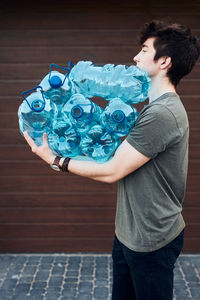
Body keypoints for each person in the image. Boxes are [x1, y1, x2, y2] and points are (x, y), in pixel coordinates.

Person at [24, 20, 200, 300]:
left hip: (151, 240)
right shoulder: (151, 108)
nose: (135, 57)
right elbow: (111, 153)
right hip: (129, 232)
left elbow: (112, 171)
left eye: (144, 50)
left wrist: (55, 159)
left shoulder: (162, 114)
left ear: (164, 61)